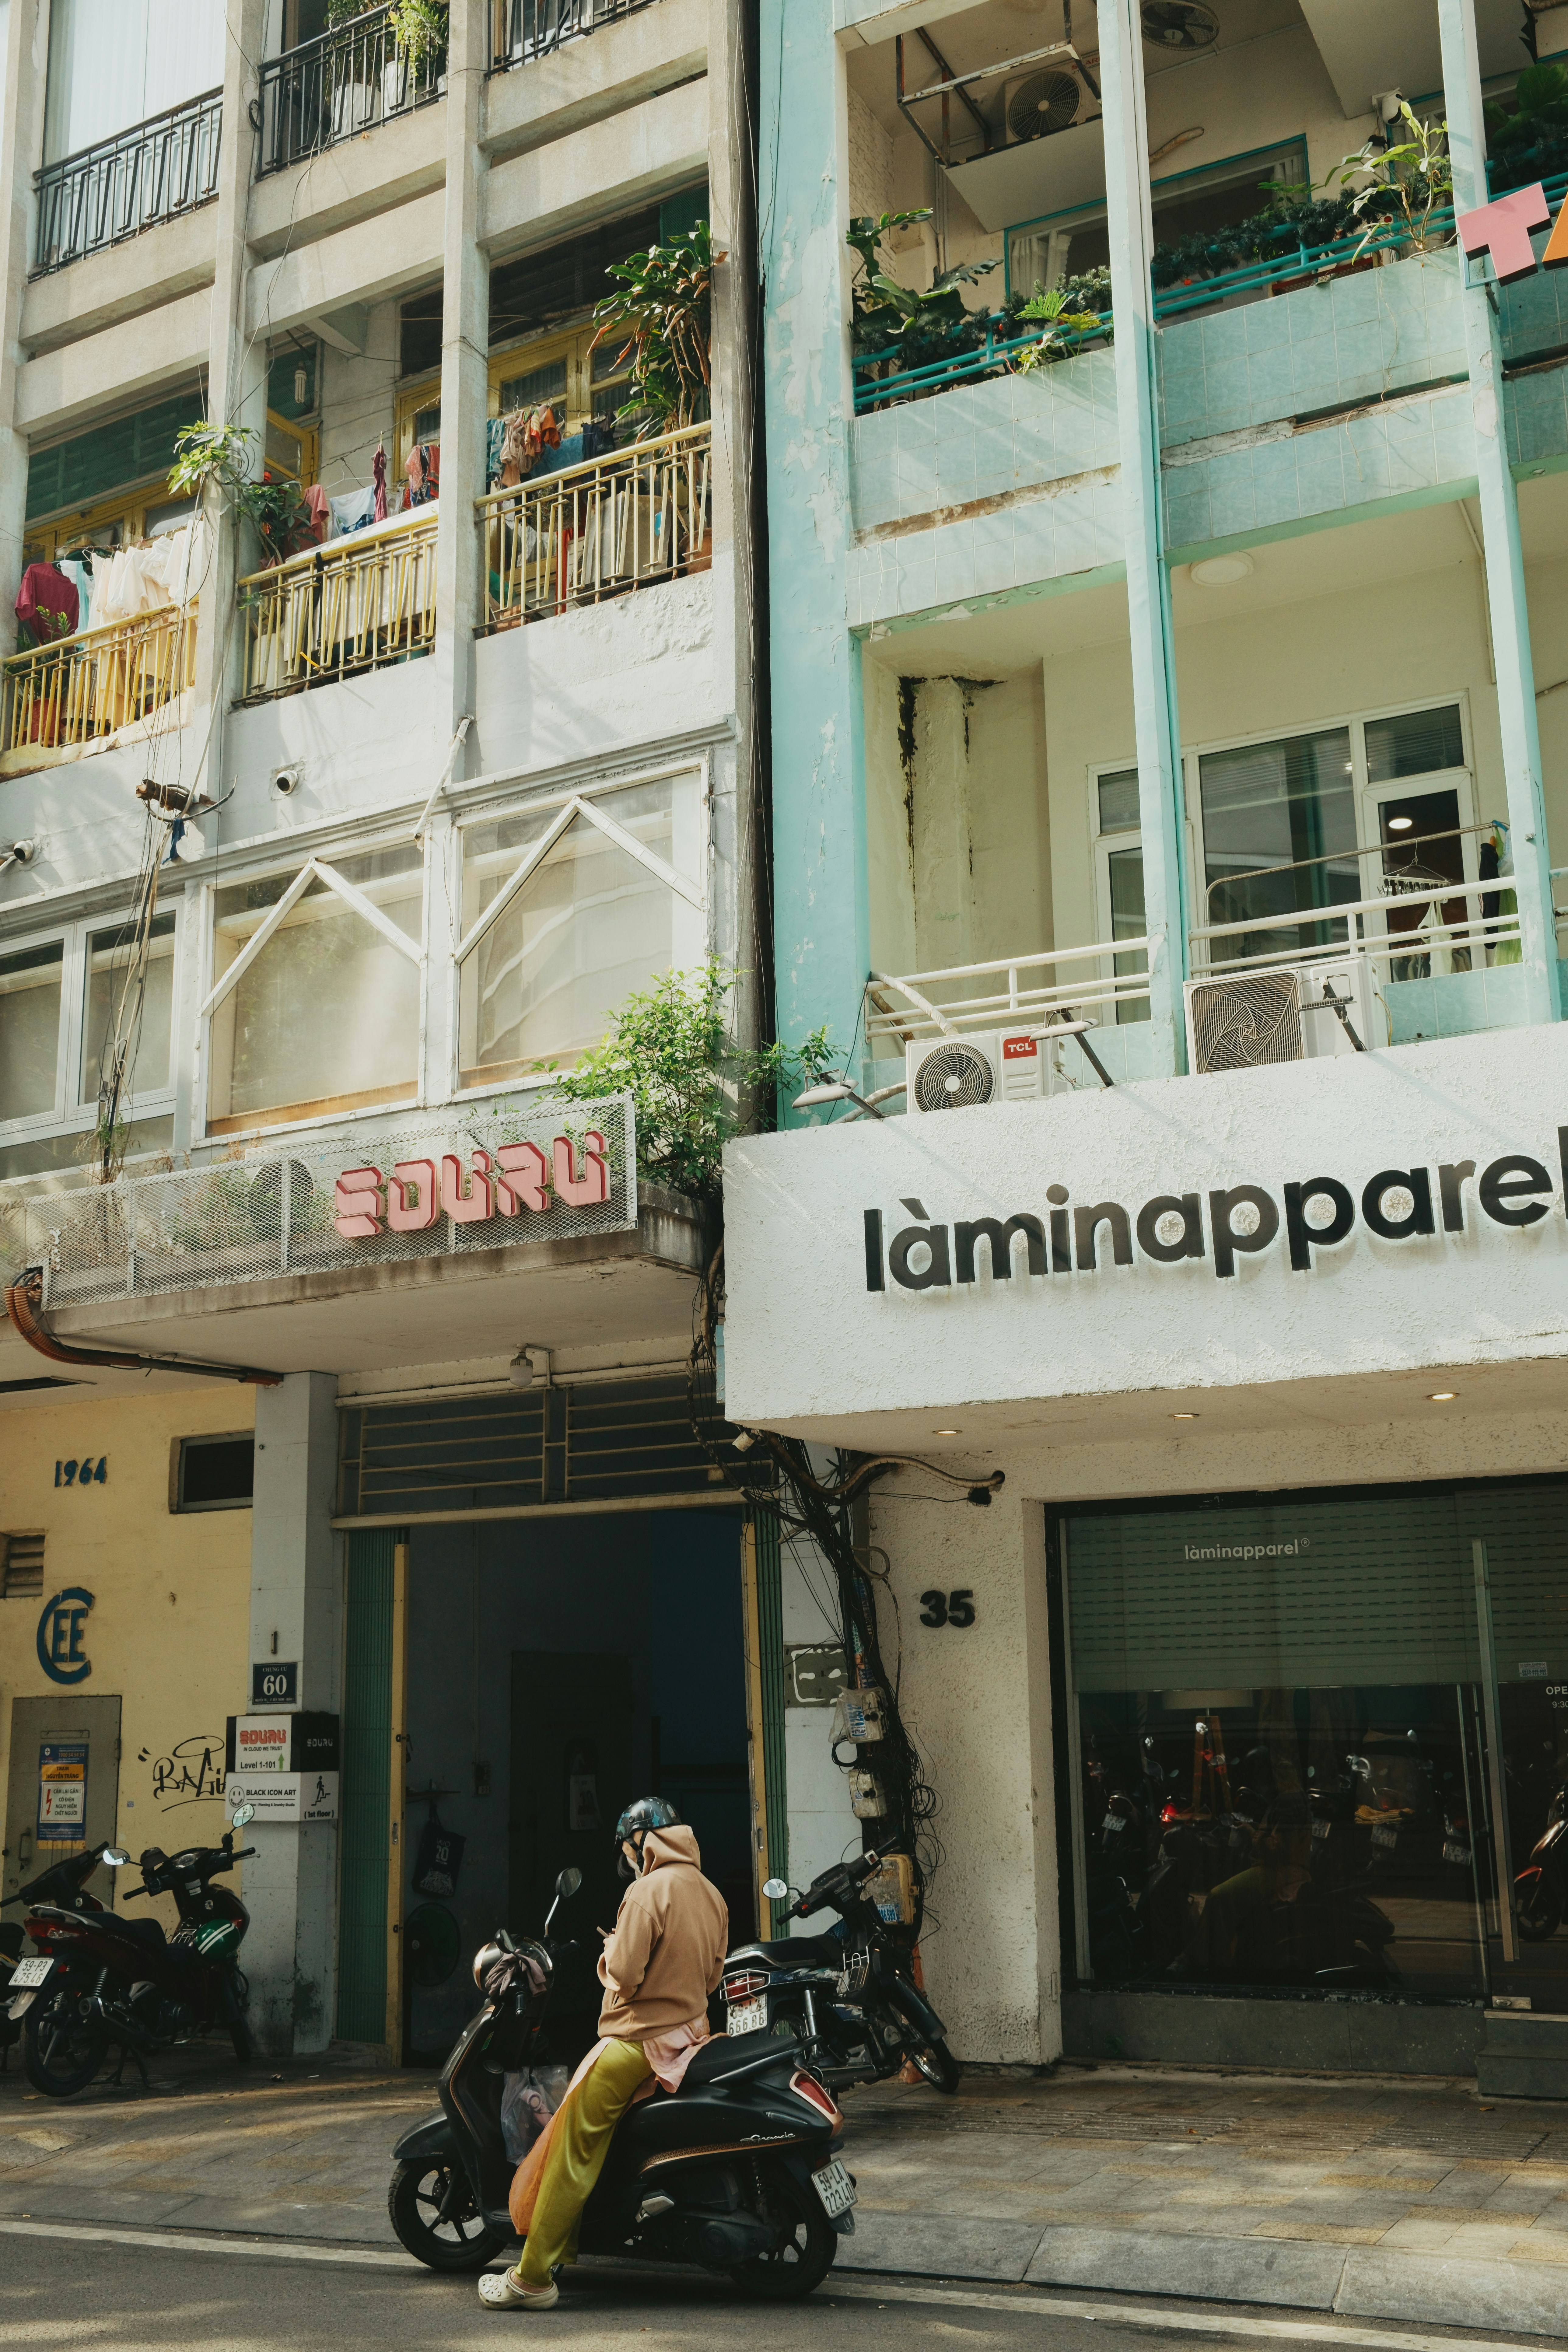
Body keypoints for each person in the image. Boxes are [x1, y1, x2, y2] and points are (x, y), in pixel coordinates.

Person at [478, 1796, 728, 2312]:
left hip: (638, 2042)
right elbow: (711, 1978)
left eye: (629, 1847)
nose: (630, 1858)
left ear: (642, 1841)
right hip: (689, 2036)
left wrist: (613, 1949)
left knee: (571, 2149)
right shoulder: (711, 1893)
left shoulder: (645, 1892)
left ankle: (531, 2278)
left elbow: (625, 1975)